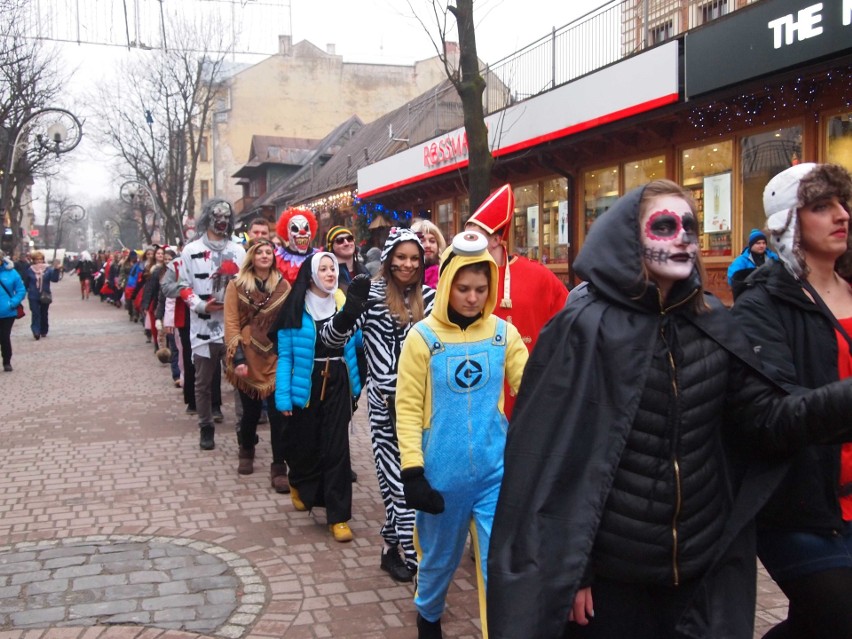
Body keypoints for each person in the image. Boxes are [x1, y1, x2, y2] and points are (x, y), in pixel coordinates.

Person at [487, 179, 852, 639]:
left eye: (691, 226)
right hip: (614, 578)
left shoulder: (713, 322)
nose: (682, 236)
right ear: (630, 238)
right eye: (665, 225)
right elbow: (546, 457)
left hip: (698, 569)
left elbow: (767, 418)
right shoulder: (583, 328)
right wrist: (574, 570)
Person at [732, 163, 852, 638]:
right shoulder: (760, 306)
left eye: (843, 202)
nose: (841, 214)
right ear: (786, 222)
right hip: (801, 506)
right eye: (821, 207)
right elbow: (771, 415)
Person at [395, 230, 528, 639]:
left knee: (497, 567)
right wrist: (413, 473)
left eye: (481, 289)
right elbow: (407, 408)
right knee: (437, 562)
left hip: (494, 474)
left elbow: (532, 389)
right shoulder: (422, 339)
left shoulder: (504, 335)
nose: (472, 297)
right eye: (463, 288)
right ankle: (429, 616)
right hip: (440, 478)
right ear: (448, 284)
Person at [320, 226, 436, 582]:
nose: (407, 264)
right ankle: (420, 568)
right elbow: (330, 341)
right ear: (388, 259)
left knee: (408, 484)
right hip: (386, 409)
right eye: (400, 257)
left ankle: (390, 549)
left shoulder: (431, 298)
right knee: (401, 490)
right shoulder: (368, 295)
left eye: (414, 258)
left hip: (424, 410)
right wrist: (348, 310)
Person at [272, 252, 362, 543]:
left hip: (338, 380)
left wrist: (357, 385)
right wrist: (283, 397)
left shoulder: (343, 303)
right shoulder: (295, 308)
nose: (329, 273)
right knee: (305, 445)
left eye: (332, 268)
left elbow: (358, 344)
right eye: (322, 269)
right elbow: (285, 356)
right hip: (307, 384)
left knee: (337, 449)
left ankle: (338, 517)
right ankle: (298, 481)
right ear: (310, 274)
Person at [464, 184, 568, 417]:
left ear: (496, 239)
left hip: (532, 397)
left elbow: (569, 327)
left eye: (474, 234)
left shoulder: (540, 277)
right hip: (481, 401)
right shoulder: (460, 280)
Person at [170, 198, 246, 450]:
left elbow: (247, 284)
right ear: (207, 218)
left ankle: (242, 430)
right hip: (202, 330)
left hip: (232, 328)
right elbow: (182, 286)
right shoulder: (190, 251)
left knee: (239, 380)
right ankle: (206, 426)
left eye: (227, 216)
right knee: (202, 383)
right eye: (217, 215)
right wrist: (201, 305)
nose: (222, 220)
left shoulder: (238, 250)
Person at [224, 239, 292, 486]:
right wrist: (237, 357)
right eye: (259, 252)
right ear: (251, 256)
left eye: (269, 252)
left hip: (275, 355)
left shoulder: (283, 285)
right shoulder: (236, 285)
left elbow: (289, 320)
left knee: (278, 415)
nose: (265, 256)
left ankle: (279, 465)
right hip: (248, 354)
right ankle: (246, 449)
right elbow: (231, 322)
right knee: (250, 413)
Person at [726, 228, 779, 299]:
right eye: (758, 243)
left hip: (771, 296)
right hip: (749, 297)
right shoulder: (741, 261)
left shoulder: (773, 257)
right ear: (751, 245)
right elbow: (733, 278)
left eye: (764, 243)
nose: (762, 246)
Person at [23, 250, 61, 340]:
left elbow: (54, 279)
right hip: (33, 295)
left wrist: (56, 270)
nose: (39, 261)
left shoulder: (48, 269)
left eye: (41, 259)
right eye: (37, 259)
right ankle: (36, 331)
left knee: (44, 313)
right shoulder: (30, 270)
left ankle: (44, 330)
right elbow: (26, 283)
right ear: (33, 260)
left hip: (45, 294)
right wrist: (25, 291)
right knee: (35, 313)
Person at [274, 208, 319, 284]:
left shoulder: (319, 256)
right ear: (287, 232)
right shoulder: (277, 257)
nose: (302, 232)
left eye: (306, 228)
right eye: (295, 229)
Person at [0, 249, 26, 371]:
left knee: (4, 336)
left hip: (7, 312)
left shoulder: (11, 272)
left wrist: (13, 303)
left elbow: (21, 290)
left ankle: (6, 361)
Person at [326, 225, 368, 291]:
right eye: (340, 240)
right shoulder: (329, 275)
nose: (346, 243)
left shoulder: (364, 270)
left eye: (349, 239)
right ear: (331, 247)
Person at [410, 219, 446, 289]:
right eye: (422, 241)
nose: (427, 245)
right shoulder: (403, 276)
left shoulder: (446, 274)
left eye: (432, 241)